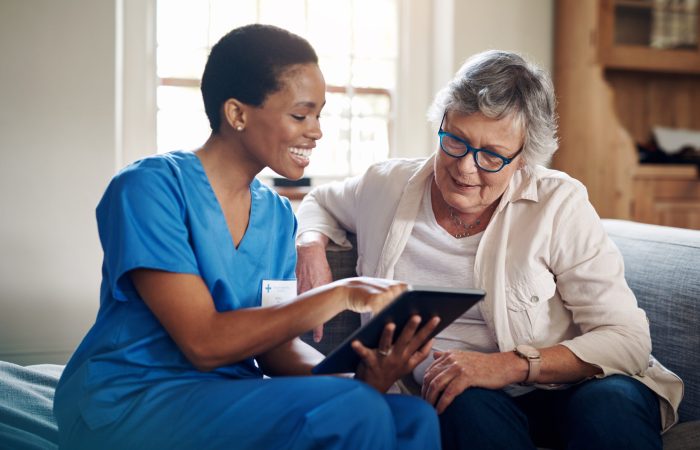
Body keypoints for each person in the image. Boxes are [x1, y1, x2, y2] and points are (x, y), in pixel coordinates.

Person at [53, 24, 442, 450]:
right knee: (355, 407)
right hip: (131, 399)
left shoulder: (276, 214)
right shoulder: (149, 189)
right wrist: (341, 294)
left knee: (412, 417)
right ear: (237, 114)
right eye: (300, 114)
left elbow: (276, 351)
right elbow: (203, 342)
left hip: (228, 396)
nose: (316, 131)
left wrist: (357, 377)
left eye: (319, 115)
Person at [295, 50, 683, 450]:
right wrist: (310, 247)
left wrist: (509, 365)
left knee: (609, 405)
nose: (465, 167)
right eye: (455, 141)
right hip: (469, 397)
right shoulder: (386, 185)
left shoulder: (559, 203)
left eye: (492, 156)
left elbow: (628, 339)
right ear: (441, 123)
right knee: (459, 399)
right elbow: (319, 202)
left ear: (523, 160)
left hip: (573, 387)